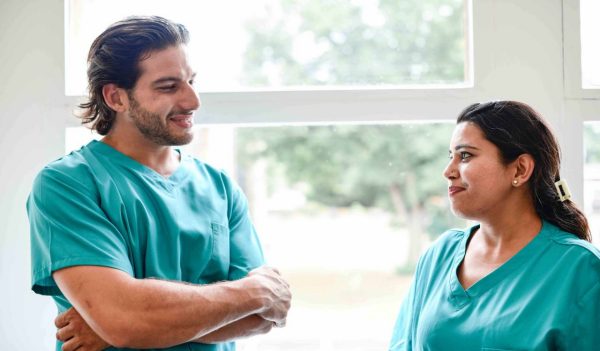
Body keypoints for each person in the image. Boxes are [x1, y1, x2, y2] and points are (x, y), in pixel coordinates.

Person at [27, 16, 291, 351]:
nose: (192, 101)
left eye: (191, 81)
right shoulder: (66, 185)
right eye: (168, 87)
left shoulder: (221, 187)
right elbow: (125, 319)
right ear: (116, 98)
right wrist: (249, 293)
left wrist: (132, 325)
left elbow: (264, 315)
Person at [389, 101, 600, 350]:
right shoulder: (439, 255)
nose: (448, 171)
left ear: (520, 169)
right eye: (450, 157)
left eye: (465, 155)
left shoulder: (581, 269)